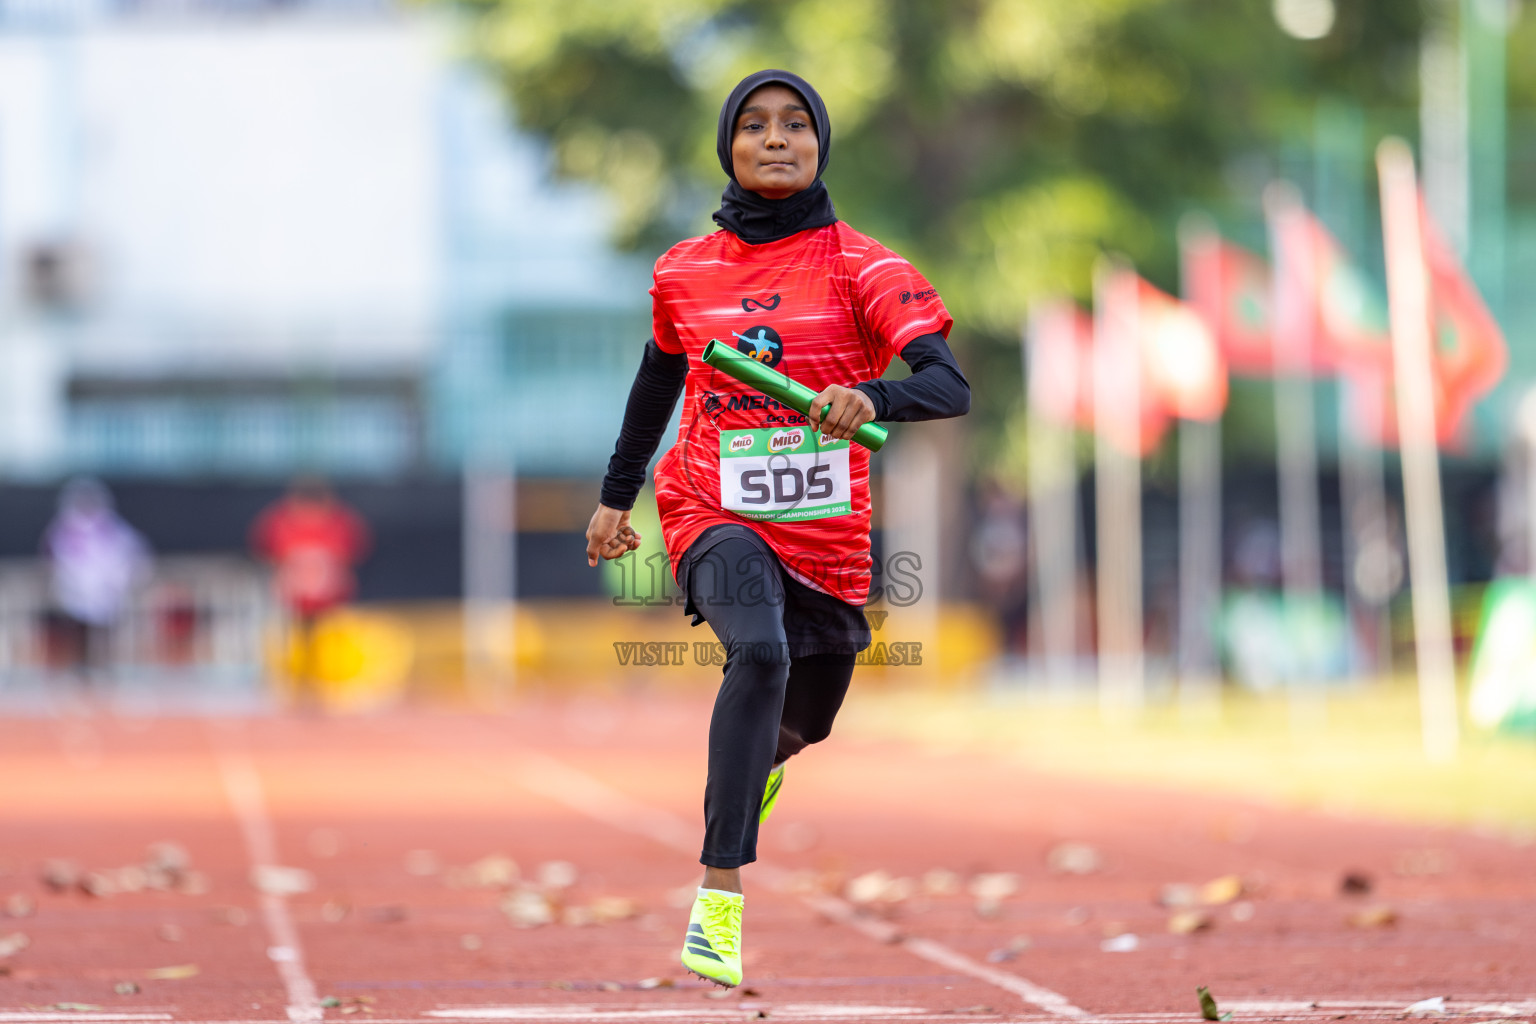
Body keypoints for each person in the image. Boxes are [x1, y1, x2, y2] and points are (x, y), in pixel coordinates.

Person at [584, 69, 969, 987]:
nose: (775, 138)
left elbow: (947, 385)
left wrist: (867, 394)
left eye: (796, 124)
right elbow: (656, 385)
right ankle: (720, 895)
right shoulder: (683, 270)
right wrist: (615, 496)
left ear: (820, 145)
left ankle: (765, 755)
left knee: (810, 717)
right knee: (757, 654)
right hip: (709, 503)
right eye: (754, 126)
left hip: (828, 531)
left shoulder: (867, 268)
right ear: (729, 147)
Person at [249, 477, 371, 707]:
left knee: (328, 640)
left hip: (329, 596)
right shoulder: (281, 522)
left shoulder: (340, 522)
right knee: (292, 639)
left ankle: (325, 685)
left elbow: (349, 557)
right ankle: (295, 684)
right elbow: (268, 555)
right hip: (294, 596)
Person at [40, 477, 151, 684]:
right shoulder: (64, 530)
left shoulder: (114, 529)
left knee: (104, 636)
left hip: (106, 594)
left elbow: (132, 555)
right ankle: (80, 675)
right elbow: (57, 560)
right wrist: (72, 583)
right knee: (78, 637)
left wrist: (120, 580)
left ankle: (104, 673)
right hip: (76, 595)